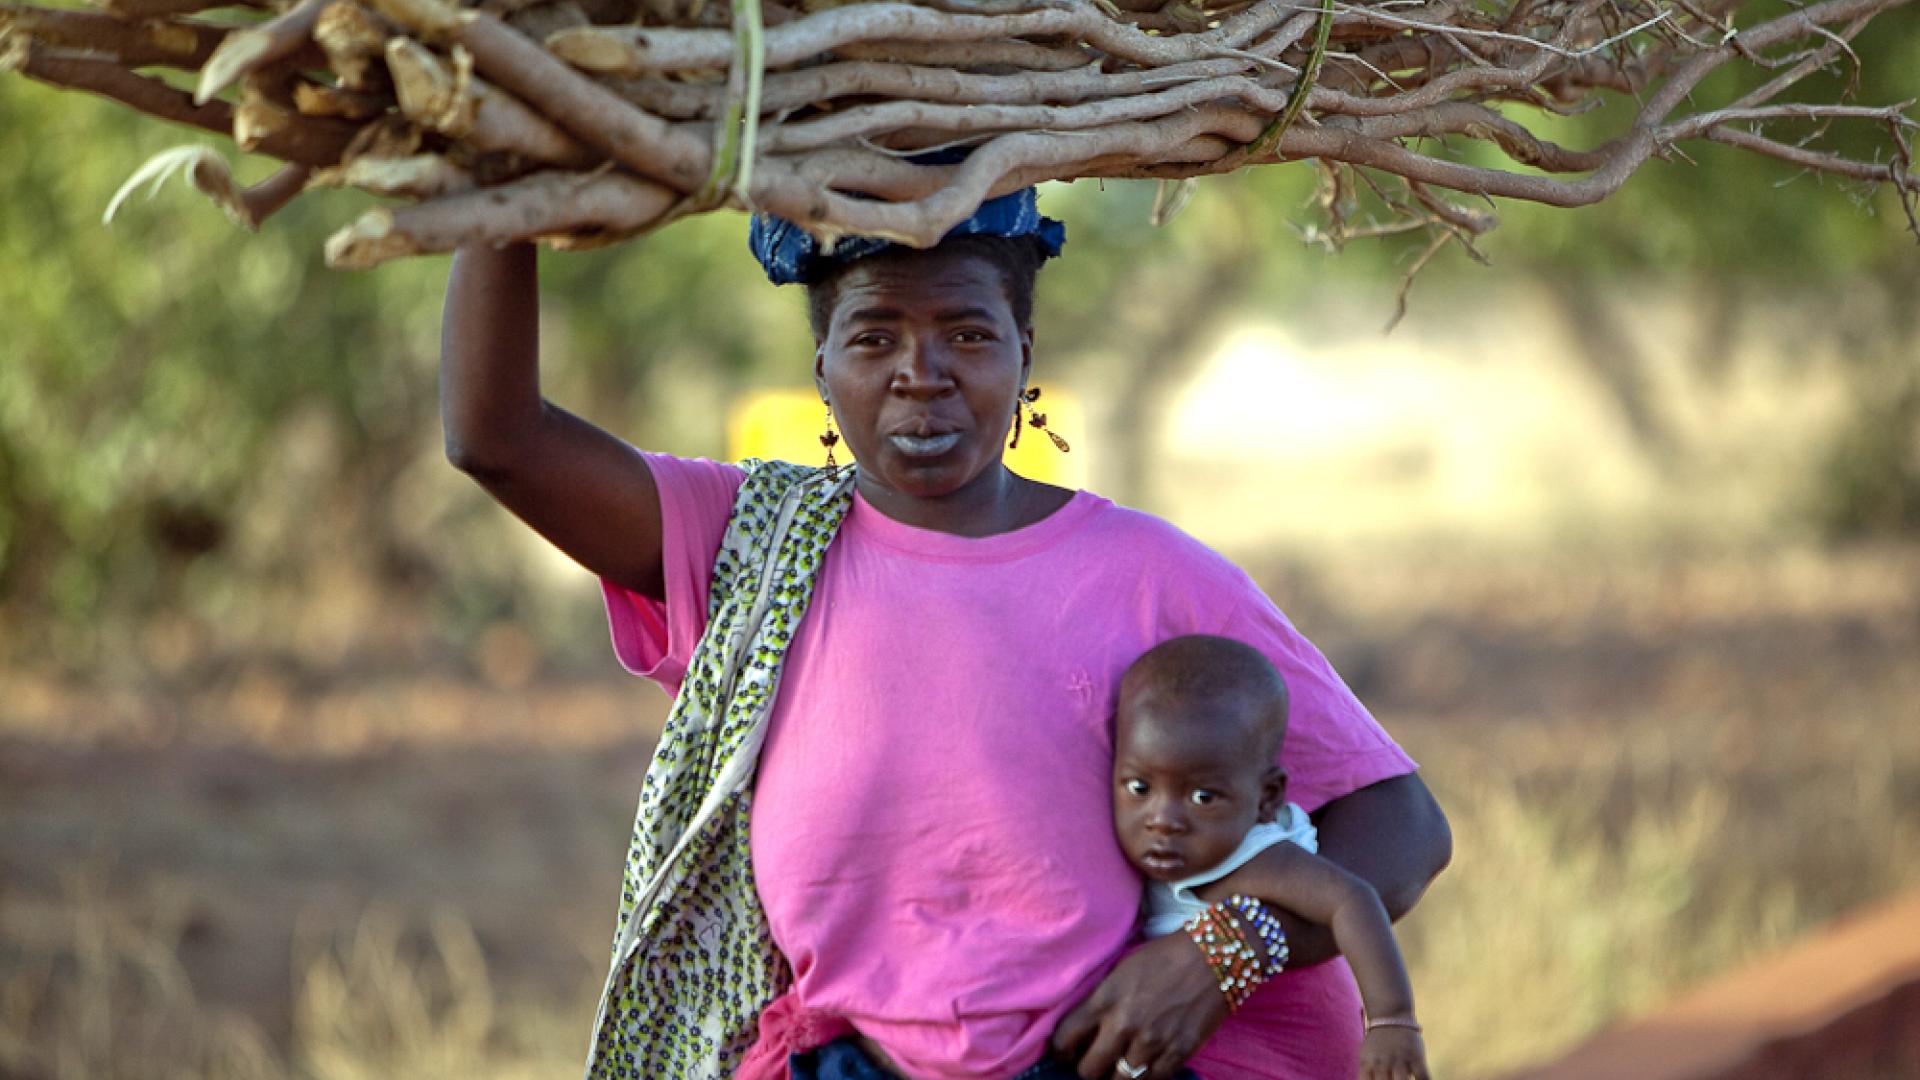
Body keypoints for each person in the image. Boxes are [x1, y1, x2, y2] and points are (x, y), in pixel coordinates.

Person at [438, 188, 1452, 1080]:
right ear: (822, 368)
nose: (921, 373)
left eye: (967, 333)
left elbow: (1401, 826)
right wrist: (513, 173)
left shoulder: (1156, 580)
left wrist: (1218, 956)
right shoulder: (745, 545)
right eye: (875, 337)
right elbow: (498, 438)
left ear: (1025, 354)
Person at [1106, 635, 1430, 1080]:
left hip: (1289, 1055)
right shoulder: (1194, 847)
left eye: (1203, 797)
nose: (1162, 820)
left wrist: (1392, 1020)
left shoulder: (1252, 859)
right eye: (1140, 788)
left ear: (1266, 797)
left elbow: (1351, 899)